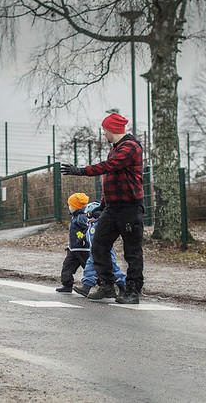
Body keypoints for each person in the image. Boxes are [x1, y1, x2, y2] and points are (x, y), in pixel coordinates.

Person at [61, 112, 144, 304]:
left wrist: (80, 171)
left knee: (132, 251)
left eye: (104, 130)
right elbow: (111, 180)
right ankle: (107, 285)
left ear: (112, 129)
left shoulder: (130, 147)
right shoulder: (115, 148)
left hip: (129, 208)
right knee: (98, 246)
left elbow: (109, 167)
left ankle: (132, 290)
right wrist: (102, 206)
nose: (103, 134)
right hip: (112, 208)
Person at [72, 202, 127, 297]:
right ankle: (86, 286)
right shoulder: (91, 225)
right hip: (94, 253)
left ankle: (124, 285)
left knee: (113, 270)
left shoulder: (99, 225)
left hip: (105, 254)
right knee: (90, 268)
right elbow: (88, 235)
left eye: (88, 216)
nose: (87, 219)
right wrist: (83, 239)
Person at [56, 193, 92, 293]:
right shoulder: (76, 217)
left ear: (75, 207)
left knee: (88, 266)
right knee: (67, 266)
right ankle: (67, 284)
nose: (69, 207)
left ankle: (101, 283)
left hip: (83, 249)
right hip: (73, 249)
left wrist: (83, 238)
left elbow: (88, 228)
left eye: (70, 205)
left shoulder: (81, 217)